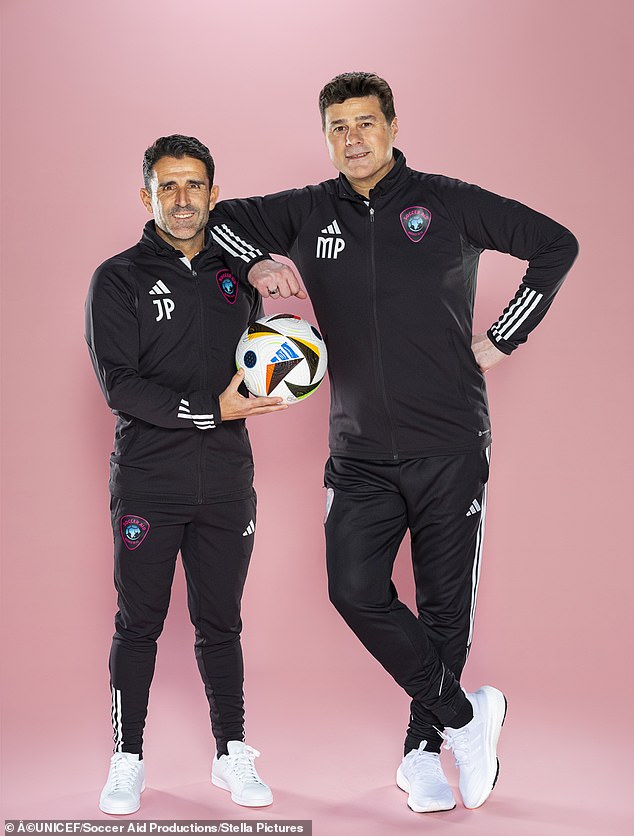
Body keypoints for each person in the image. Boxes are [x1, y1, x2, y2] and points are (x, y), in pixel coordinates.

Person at [208, 73, 579, 814]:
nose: (353, 138)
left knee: (445, 611)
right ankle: (468, 718)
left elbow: (555, 244)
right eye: (339, 126)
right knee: (354, 590)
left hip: (450, 443)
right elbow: (221, 220)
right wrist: (256, 262)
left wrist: (505, 337)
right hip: (359, 451)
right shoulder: (308, 210)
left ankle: (420, 755)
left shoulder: (445, 201)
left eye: (365, 123)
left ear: (392, 124)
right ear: (327, 136)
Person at [85, 135, 286, 815]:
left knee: (221, 623)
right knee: (139, 623)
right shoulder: (119, 278)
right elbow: (120, 387)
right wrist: (212, 409)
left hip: (228, 482)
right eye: (167, 186)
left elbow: (261, 361)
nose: (181, 198)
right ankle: (127, 758)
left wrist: (288, 367)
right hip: (149, 481)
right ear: (147, 195)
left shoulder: (236, 276)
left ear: (212, 194)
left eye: (194, 185)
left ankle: (231, 753)